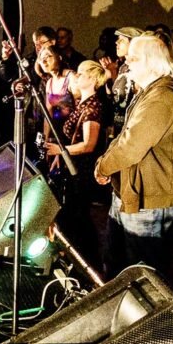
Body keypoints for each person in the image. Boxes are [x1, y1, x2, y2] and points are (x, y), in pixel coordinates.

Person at [94, 34, 173, 278]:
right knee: (117, 265)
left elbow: (130, 146)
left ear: (152, 62)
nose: (127, 64)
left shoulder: (163, 99)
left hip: (148, 200)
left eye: (134, 58)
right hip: (133, 192)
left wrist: (103, 167)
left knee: (141, 274)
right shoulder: (151, 92)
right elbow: (125, 134)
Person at [45, 60, 110, 269]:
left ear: (91, 78)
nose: (76, 76)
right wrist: (60, 155)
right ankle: (80, 261)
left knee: (78, 218)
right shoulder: (83, 103)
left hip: (81, 171)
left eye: (80, 73)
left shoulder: (92, 107)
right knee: (76, 217)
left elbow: (89, 144)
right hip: (73, 168)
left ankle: (86, 263)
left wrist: (60, 150)